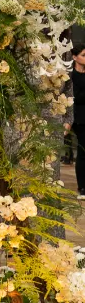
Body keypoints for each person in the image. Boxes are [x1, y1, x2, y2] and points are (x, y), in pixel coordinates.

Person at [66, 43, 85, 198]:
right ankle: (82, 188)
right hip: (80, 119)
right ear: (74, 57)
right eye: (83, 55)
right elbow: (74, 98)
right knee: (83, 151)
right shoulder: (71, 76)